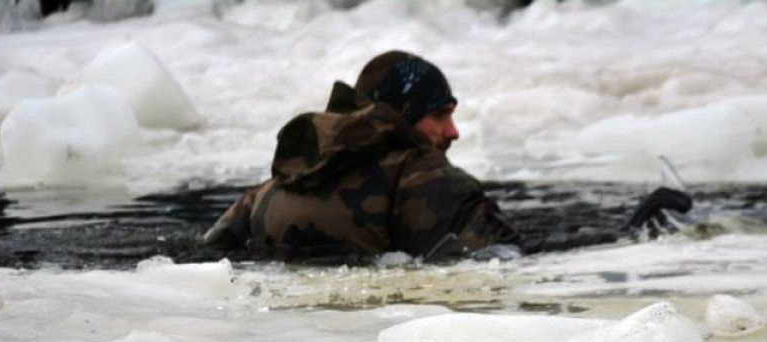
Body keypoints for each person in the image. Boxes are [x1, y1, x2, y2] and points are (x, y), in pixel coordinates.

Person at [204, 51, 692, 262]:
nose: (452, 132)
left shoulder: (275, 185)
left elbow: (206, 254)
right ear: (406, 115)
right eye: (440, 115)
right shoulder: (426, 179)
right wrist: (628, 234)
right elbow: (510, 258)